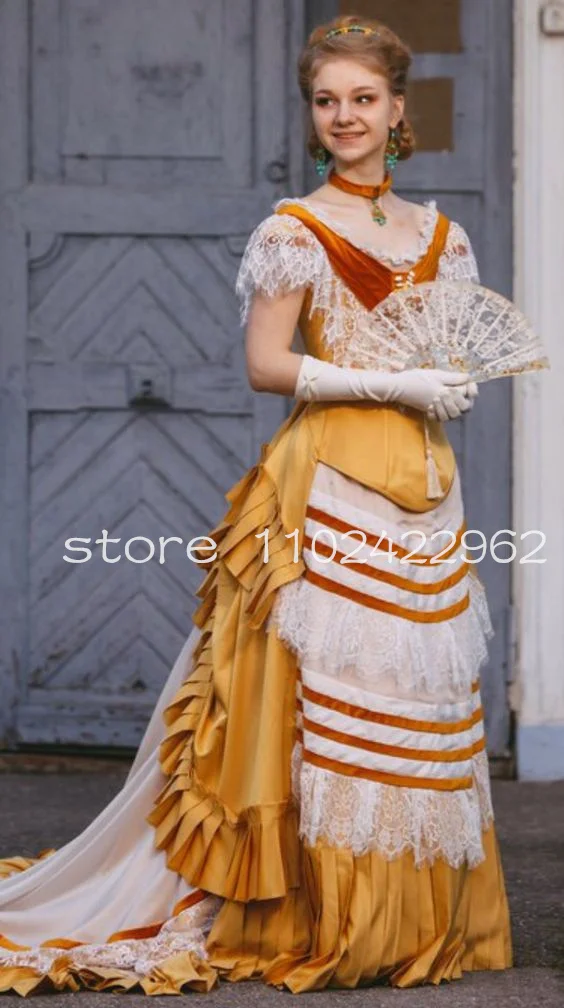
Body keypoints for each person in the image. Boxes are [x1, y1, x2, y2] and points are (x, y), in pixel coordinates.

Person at [0, 14, 512, 996]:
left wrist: (443, 383)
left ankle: (412, 925)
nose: (346, 116)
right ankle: (321, 915)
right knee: (322, 707)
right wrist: (392, 386)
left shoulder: (443, 236)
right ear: (313, 113)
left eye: (364, 99)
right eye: (329, 101)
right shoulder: (296, 228)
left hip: (423, 491)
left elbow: (448, 349)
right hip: (327, 486)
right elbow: (267, 363)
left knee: (413, 699)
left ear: (399, 109)